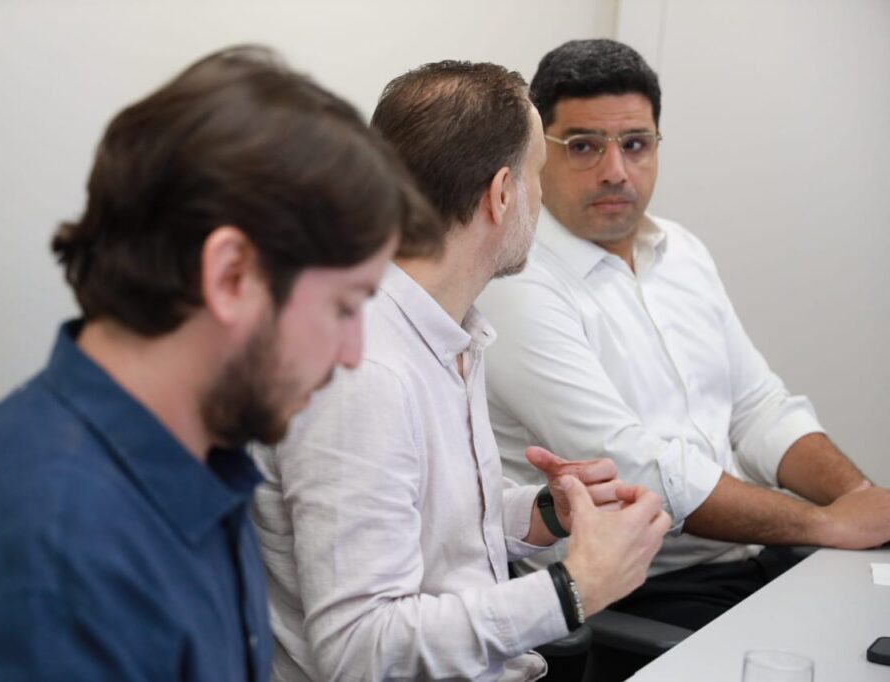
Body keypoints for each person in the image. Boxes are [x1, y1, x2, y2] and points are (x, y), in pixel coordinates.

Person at [0, 46, 435, 680]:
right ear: (232, 275)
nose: (353, 353)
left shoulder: (201, 459)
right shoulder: (56, 556)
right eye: (343, 306)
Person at [251, 60, 670, 682]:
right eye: (536, 175)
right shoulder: (362, 372)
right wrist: (573, 588)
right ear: (501, 194)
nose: (539, 199)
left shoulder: (443, 329)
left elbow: (419, 523)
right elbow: (361, 647)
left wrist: (544, 513)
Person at [478, 38, 890, 634]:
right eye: (585, 146)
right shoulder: (517, 280)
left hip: (749, 559)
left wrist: (861, 500)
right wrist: (826, 523)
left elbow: (758, 410)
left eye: (635, 145)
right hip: (637, 592)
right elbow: (635, 471)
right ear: (541, 152)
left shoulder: (681, 252)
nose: (616, 171)